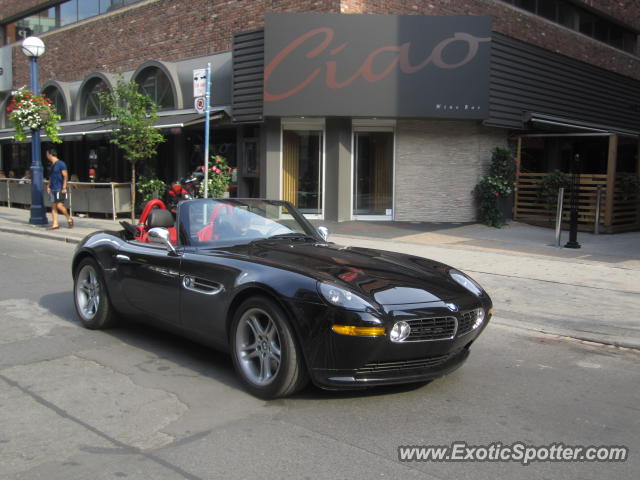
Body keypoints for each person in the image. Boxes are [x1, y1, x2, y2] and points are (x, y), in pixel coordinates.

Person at [45, 148, 74, 230]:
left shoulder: (61, 164)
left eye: (47, 154)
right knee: (53, 206)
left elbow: (65, 176)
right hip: (53, 187)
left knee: (59, 205)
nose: (46, 156)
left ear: (50, 154)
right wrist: (48, 185)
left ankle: (69, 218)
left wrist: (64, 187)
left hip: (59, 188)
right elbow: (51, 177)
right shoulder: (52, 165)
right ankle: (55, 224)